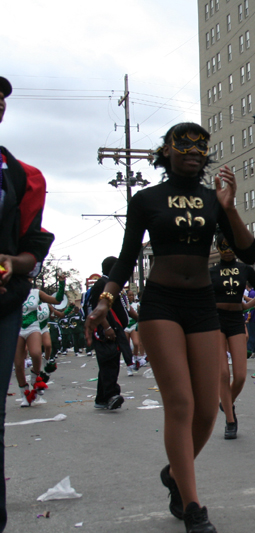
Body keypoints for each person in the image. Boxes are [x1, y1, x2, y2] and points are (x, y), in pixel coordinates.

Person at [85, 122, 255, 533]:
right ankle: (193, 505)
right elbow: (126, 260)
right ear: (167, 150)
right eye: (184, 144)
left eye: (201, 146)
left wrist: (229, 206)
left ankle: (174, 473)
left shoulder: (213, 200)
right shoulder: (146, 199)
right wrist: (104, 301)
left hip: (201, 306)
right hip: (161, 304)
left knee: (205, 410)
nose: (194, 151)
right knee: (180, 403)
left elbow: (249, 251)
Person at [0, 75, 55, 532]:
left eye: (2, 96)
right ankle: (28, 385)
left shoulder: (19, 175)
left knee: (33, 355)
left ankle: (34, 384)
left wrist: (14, 265)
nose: (0, 101)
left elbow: (32, 244)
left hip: (7, 309)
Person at [210, 233, 255, 439]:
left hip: (235, 319)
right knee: (223, 374)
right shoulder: (211, 271)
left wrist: (246, 306)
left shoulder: (245, 269)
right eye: (222, 245)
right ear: (217, 247)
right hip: (215, 320)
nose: (226, 249)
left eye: (229, 245)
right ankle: (230, 420)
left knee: (240, 375)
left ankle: (226, 402)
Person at [84, 257, 131, 410]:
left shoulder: (110, 285)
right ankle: (111, 395)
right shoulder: (102, 285)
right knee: (109, 362)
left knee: (110, 362)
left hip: (114, 329)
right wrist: (107, 327)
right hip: (105, 332)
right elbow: (98, 309)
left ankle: (102, 398)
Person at [14, 275, 65, 406]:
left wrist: (61, 283)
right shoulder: (12, 291)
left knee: (36, 353)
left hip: (33, 326)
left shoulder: (36, 293)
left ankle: (35, 376)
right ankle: (24, 394)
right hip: (17, 328)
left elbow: (57, 300)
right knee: (18, 364)